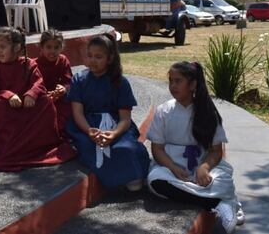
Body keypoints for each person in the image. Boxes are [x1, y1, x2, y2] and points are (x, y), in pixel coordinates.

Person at [146, 61, 244, 233]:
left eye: (178, 81)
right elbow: (157, 149)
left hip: (202, 165)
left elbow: (216, 151)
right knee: (155, 180)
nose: (173, 86)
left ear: (192, 85)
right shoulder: (163, 111)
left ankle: (223, 198)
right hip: (172, 168)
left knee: (223, 179)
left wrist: (204, 168)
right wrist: (173, 167)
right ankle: (219, 202)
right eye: (171, 81)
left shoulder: (207, 112)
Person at [0, 27, 76, 171]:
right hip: (7, 108)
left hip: (25, 106)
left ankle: (44, 145)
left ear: (17, 47)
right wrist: (8, 95)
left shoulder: (29, 64)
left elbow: (39, 83)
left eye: (2, 47)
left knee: (45, 102)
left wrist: (32, 93)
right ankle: (12, 151)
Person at [66, 33, 149, 190]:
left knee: (125, 147)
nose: (92, 60)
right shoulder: (79, 80)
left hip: (115, 126)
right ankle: (117, 178)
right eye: (90, 55)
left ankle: (133, 176)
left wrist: (113, 134)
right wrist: (89, 131)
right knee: (89, 146)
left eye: (98, 57)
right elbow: (78, 113)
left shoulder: (120, 82)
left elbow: (125, 119)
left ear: (109, 59)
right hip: (88, 126)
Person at [33, 29, 73, 138]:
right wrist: (45, 96)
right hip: (41, 99)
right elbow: (34, 85)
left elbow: (69, 81)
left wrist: (63, 89)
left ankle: (62, 134)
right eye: (49, 47)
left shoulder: (63, 61)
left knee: (71, 106)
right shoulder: (35, 64)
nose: (52, 51)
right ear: (41, 47)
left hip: (59, 97)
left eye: (56, 47)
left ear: (61, 48)